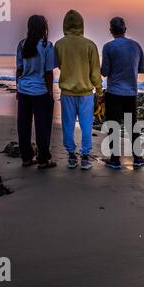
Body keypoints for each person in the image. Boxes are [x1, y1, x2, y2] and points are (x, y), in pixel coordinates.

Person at [55, 10, 104, 170]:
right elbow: (95, 72)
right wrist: (100, 91)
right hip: (85, 93)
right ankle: (84, 157)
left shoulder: (59, 44)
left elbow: (58, 66)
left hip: (67, 92)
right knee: (86, 125)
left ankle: (71, 156)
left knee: (68, 125)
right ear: (81, 24)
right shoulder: (89, 45)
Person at [101, 17, 144, 169]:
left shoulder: (108, 47)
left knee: (114, 125)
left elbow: (105, 71)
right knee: (132, 125)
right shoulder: (136, 46)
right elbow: (142, 69)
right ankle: (137, 157)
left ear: (111, 31)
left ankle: (115, 160)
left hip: (114, 92)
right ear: (125, 30)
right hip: (130, 92)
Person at [16, 15, 57, 169]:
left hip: (24, 89)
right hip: (40, 91)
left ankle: (26, 158)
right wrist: (50, 92)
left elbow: (19, 69)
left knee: (23, 125)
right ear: (43, 28)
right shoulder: (47, 46)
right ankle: (43, 159)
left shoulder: (22, 45)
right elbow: (48, 72)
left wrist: (17, 88)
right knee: (43, 127)